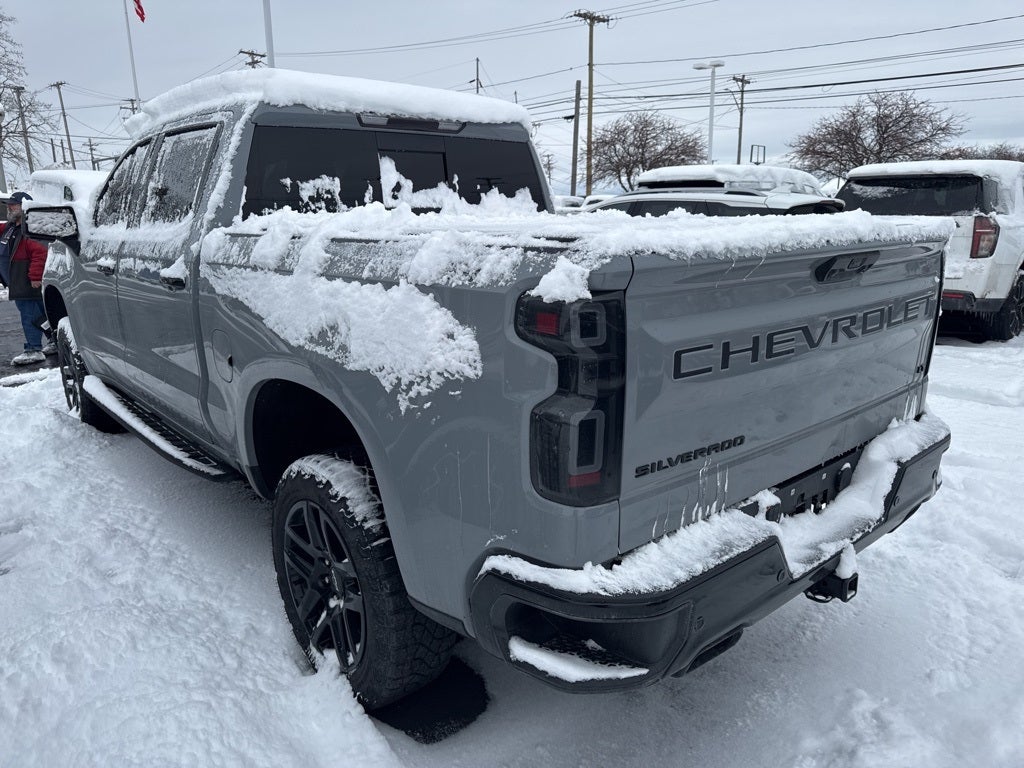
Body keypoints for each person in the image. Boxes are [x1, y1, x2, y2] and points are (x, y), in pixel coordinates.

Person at [0, 191, 52, 365]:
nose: (9, 207)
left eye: (13, 204)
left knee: (29, 314)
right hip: (16, 280)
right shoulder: (11, 226)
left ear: (24, 207)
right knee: (41, 314)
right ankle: (56, 340)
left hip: (26, 279)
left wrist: (36, 276)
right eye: (8, 204)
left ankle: (33, 349)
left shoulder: (31, 227)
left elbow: (40, 253)